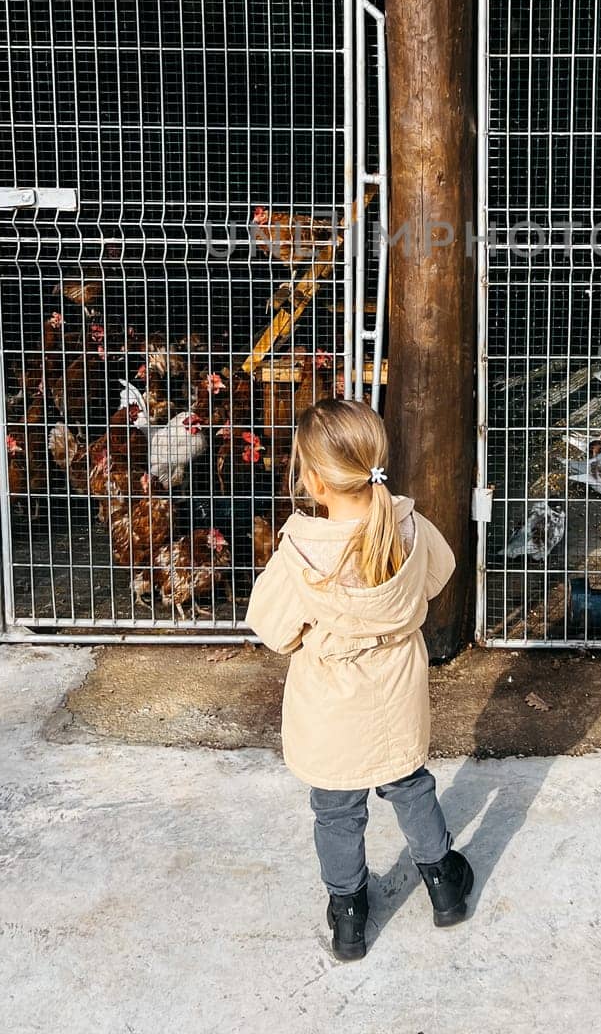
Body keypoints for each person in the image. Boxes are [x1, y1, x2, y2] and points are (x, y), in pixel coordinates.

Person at [247, 397, 472, 961]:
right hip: (396, 691)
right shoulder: (407, 524)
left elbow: (273, 628)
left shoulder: (301, 550)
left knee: (336, 810)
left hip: (330, 707)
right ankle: (443, 883)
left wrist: (312, 636)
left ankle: (349, 915)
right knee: (409, 783)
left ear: (316, 481)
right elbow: (439, 573)